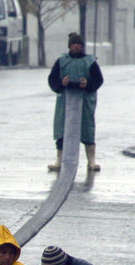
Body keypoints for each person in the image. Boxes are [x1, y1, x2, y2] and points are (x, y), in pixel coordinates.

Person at [47, 32, 104, 173]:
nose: (76, 47)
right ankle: (59, 160)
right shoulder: (61, 61)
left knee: (87, 128)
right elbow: (52, 79)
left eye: (79, 44)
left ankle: (91, 160)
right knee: (62, 128)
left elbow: (99, 80)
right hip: (65, 101)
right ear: (69, 46)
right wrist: (62, 83)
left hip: (85, 102)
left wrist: (88, 84)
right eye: (73, 44)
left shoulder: (90, 62)